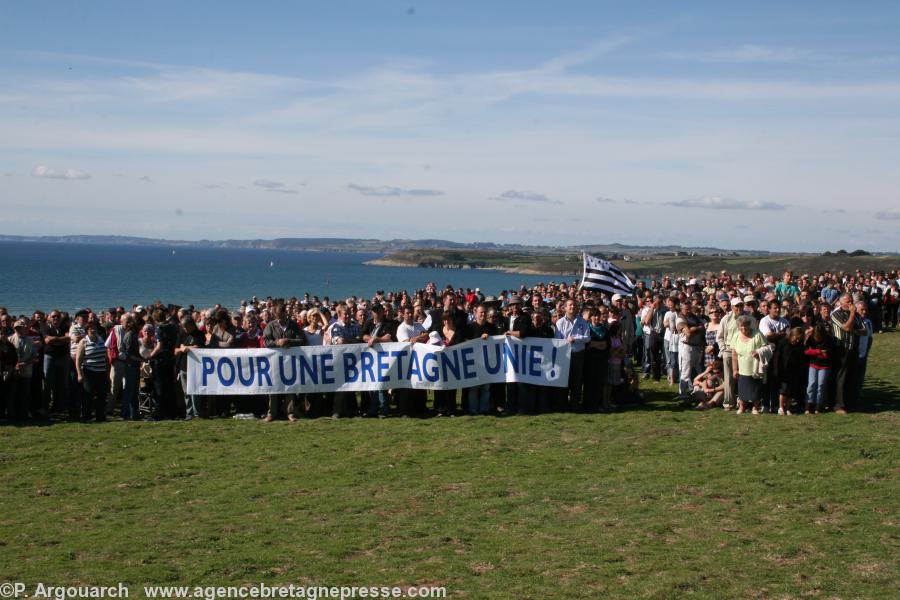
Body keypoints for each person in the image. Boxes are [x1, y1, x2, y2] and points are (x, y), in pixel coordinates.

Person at [262, 301, 307, 421]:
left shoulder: (294, 325)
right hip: (275, 362)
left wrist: (288, 341)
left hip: (291, 362)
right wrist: (277, 342)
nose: (280, 318)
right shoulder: (271, 326)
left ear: (286, 314)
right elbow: (265, 342)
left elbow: (302, 340)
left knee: (290, 387)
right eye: (277, 316)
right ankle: (271, 413)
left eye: (282, 316)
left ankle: (290, 412)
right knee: (274, 387)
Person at [829, 293, 867, 414]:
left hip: (853, 348)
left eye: (851, 301)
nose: (851, 304)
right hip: (841, 349)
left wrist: (853, 330)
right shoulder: (836, 314)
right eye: (848, 301)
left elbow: (864, 330)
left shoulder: (856, 315)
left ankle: (850, 403)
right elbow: (845, 328)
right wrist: (851, 314)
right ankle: (838, 405)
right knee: (841, 376)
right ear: (841, 302)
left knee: (852, 376)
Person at [554, 299, 589, 412]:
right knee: (564, 380)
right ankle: (562, 405)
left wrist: (576, 339)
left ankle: (575, 404)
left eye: (574, 305)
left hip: (578, 354)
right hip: (565, 355)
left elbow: (587, 337)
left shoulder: (582, 321)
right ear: (565, 307)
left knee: (577, 380)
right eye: (570, 305)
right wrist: (566, 341)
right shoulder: (560, 322)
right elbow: (557, 340)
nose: (572, 307)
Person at [730, 315, 767, 414]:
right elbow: (734, 354)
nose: (743, 328)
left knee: (756, 388)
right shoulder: (736, 336)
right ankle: (741, 407)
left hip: (755, 368)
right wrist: (734, 369)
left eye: (745, 325)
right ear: (738, 327)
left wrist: (758, 351)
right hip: (742, 368)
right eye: (741, 326)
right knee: (742, 389)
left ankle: (755, 408)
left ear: (749, 325)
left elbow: (767, 347)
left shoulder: (758, 334)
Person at [396, 304, 429, 417]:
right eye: (407, 313)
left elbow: (427, 336)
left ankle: (420, 410)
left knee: (420, 387)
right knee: (407, 388)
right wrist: (417, 338)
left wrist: (416, 338)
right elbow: (406, 342)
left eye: (411, 313)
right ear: (403, 314)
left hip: (419, 361)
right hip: (407, 361)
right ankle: (405, 411)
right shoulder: (402, 328)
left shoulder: (418, 325)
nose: (410, 315)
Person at [362, 303, 395, 418]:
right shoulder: (369, 322)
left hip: (383, 357)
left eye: (379, 311)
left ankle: (383, 409)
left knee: (381, 385)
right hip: (370, 358)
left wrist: (376, 339)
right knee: (374, 385)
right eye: (374, 311)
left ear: (382, 312)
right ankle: (375, 409)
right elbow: (363, 335)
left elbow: (388, 337)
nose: (377, 313)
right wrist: (371, 339)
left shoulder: (388, 323)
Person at [74, 321, 109, 422]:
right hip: (89, 372)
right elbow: (78, 360)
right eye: (90, 329)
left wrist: (107, 372)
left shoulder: (101, 339)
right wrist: (79, 374)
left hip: (101, 372)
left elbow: (105, 357)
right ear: (87, 331)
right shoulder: (84, 342)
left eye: (94, 329)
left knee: (102, 395)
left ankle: (100, 416)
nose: (93, 331)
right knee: (88, 395)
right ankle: (86, 416)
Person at [467, 304, 497, 415]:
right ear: (476, 314)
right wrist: (479, 340)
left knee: (486, 388)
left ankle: (484, 409)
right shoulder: (470, 327)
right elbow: (466, 342)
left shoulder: (492, 327)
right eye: (481, 312)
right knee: (473, 388)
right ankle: (473, 410)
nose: (483, 314)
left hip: (487, 362)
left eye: (485, 312)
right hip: (473, 362)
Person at [149, 310, 180, 420]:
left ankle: (159, 413)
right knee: (170, 387)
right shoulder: (173, 327)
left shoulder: (159, 328)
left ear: (155, 319)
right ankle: (172, 412)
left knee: (159, 387)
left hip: (161, 360)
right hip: (170, 359)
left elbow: (159, 346)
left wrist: (150, 356)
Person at [175, 317, 205, 419]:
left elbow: (199, 347)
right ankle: (189, 412)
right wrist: (183, 349)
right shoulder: (182, 334)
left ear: (192, 325)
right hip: (183, 367)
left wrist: (186, 348)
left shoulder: (199, 334)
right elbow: (175, 350)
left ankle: (197, 412)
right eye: (183, 327)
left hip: (195, 367)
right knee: (186, 392)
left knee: (195, 391)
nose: (185, 329)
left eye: (186, 327)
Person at [773, 328, 807, 415]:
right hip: (784, 371)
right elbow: (777, 357)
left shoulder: (799, 345)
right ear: (792, 335)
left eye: (800, 338)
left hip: (794, 371)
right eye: (797, 337)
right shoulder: (783, 342)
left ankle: (788, 408)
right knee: (783, 390)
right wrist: (776, 370)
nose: (798, 340)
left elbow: (801, 359)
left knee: (791, 391)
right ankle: (781, 407)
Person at [6, 319, 35, 421]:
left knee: (25, 393)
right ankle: (12, 414)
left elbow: (33, 356)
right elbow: (7, 356)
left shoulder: (30, 340)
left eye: (21, 327)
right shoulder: (9, 339)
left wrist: (24, 363)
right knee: (12, 394)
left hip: (26, 370)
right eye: (17, 328)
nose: (19, 329)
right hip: (13, 371)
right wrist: (15, 365)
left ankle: (24, 414)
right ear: (14, 328)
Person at [676, 300, 706, 400]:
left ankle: (696, 391)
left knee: (698, 370)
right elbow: (687, 332)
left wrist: (694, 328)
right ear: (681, 309)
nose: (689, 311)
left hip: (696, 346)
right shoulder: (680, 318)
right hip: (686, 347)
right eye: (686, 309)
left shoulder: (693, 316)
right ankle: (683, 394)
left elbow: (703, 326)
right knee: (685, 371)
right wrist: (696, 328)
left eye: (690, 309)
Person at [804, 324, 836, 414]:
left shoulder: (828, 340)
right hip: (813, 364)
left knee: (820, 385)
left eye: (818, 337)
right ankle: (808, 405)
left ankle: (818, 406)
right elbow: (806, 351)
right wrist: (819, 351)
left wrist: (815, 352)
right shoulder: (810, 339)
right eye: (815, 337)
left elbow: (828, 354)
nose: (816, 339)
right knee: (811, 384)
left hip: (824, 366)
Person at [640, 295, 665, 381]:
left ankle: (665, 373)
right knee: (654, 355)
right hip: (653, 333)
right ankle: (656, 376)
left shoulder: (664, 309)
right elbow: (646, 321)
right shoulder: (650, 310)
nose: (658, 304)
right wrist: (652, 308)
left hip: (663, 334)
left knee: (664, 356)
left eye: (659, 303)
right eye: (656, 303)